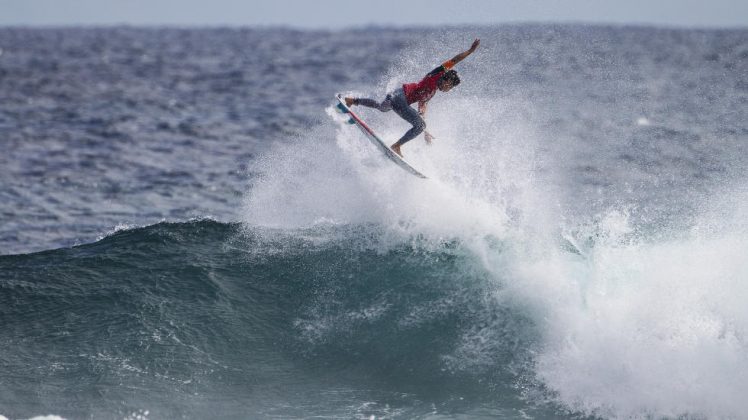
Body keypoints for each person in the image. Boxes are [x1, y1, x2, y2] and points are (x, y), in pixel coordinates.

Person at [345, 39, 480, 157]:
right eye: (450, 87)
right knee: (420, 125)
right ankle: (397, 145)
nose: (449, 90)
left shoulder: (431, 92)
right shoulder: (436, 75)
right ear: (447, 81)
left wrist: (425, 132)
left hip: (395, 95)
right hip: (400, 98)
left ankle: (352, 101)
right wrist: (470, 51)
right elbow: (454, 60)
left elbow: (422, 109)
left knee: (382, 107)